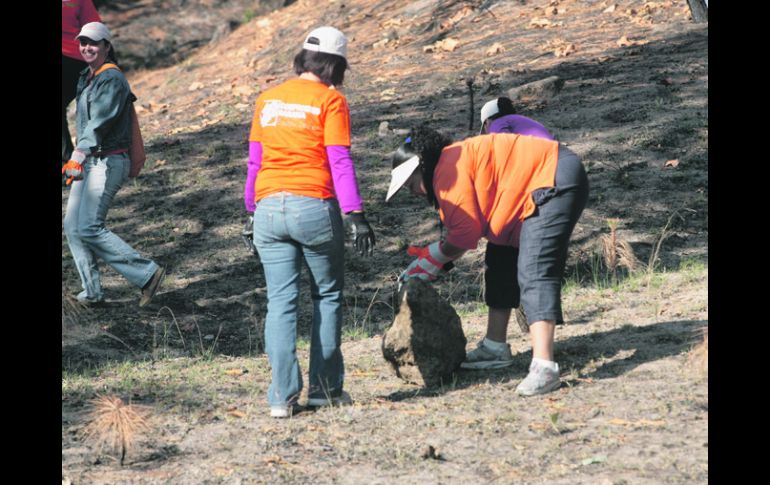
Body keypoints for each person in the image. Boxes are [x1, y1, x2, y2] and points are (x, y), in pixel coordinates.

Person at [385, 124, 588, 396]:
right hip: (528, 191)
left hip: (552, 178)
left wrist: (433, 258)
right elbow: (472, 227)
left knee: (534, 269)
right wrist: (437, 258)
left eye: (411, 185)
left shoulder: (446, 171)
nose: (414, 192)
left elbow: (465, 233)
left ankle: (545, 367)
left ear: (422, 166)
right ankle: (495, 346)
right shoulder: (449, 162)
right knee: (500, 257)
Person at [245, 26, 376, 418]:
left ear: (302, 58)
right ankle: (324, 390)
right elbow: (339, 160)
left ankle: (281, 399)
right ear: (336, 64)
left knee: (280, 303)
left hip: (268, 209)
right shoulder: (331, 101)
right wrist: (356, 214)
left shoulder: (267, 99)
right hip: (313, 207)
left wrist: (251, 213)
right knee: (327, 295)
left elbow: (255, 162)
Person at [63, 22, 166, 307]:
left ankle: (147, 274)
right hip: (88, 160)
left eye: (94, 42)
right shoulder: (87, 75)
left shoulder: (112, 79)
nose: (87, 47)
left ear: (107, 46)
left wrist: (77, 155)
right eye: (83, 42)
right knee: (72, 226)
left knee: (89, 227)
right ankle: (92, 292)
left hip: (107, 161)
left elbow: (100, 121)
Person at [478, 97, 555, 336]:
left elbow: (502, 150)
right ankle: (529, 315)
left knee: (503, 252)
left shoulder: (500, 125)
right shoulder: (524, 122)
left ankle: (502, 329)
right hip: (551, 180)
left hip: (533, 185)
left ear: (488, 121)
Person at [63, 0, 102, 165]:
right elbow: (95, 28)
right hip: (79, 58)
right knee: (87, 107)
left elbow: (94, 27)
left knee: (86, 107)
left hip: (75, 58)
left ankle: (69, 163)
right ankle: (84, 158)